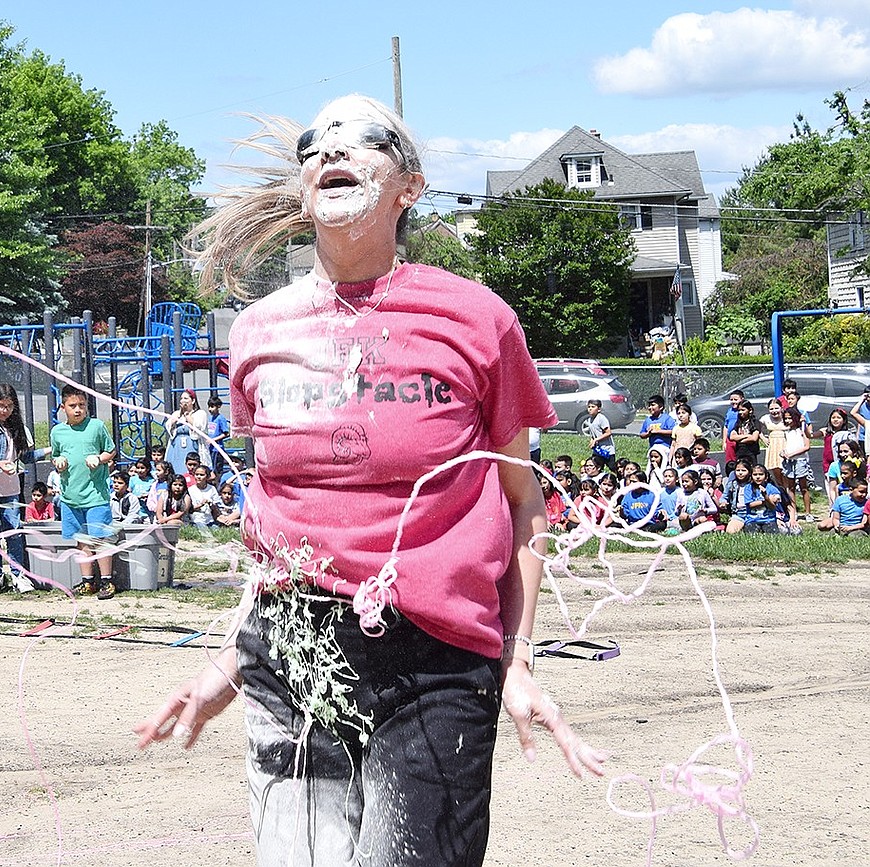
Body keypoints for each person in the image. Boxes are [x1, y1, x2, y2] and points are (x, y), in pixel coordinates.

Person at [136, 94, 604, 867]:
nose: (330, 151)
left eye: (363, 139)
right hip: (290, 656)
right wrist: (230, 662)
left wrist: (517, 663)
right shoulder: (257, 333)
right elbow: (276, 526)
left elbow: (525, 505)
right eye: (314, 144)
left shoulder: (479, 320)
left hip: (434, 665)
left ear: (409, 187)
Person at [0, 383, 49, 594]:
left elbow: (23, 456)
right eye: (0, 405)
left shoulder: (15, 427)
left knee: (14, 531)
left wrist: (48, 451)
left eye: (9, 406)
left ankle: (18, 574)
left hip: (10, 487)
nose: (5, 410)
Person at [50, 383, 118, 599]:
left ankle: (107, 581)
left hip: (96, 495)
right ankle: (88, 582)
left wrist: (99, 458)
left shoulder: (97, 426)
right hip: (71, 496)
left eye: (81, 405)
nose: (78, 409)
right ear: (63, 407)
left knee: (100, 538)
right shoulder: (57, 431)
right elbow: (56, 455)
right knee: (81, 541)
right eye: (72, 405)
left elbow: (111, 450)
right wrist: (58, 462)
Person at [164, 389, 210, 476]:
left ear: (193, 400)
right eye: (181, 398)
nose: (182, 401)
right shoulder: (176, 414)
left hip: (192, 446)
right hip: (176, 448)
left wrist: (187, 415)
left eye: (185, 398)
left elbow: (199, 428)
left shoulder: (200, 413)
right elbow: (169, 425)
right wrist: (180, 414)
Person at [780, 407, 813, 521]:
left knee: (804, 487)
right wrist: (783, 452)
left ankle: (808, 513)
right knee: (791, 487)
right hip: (788, 461)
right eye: (786, 418)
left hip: (800, 461)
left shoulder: (802, 430)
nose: (788, 421)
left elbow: (806, 446)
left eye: (790, 418)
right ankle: (793, 511)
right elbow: (785, 445)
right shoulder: (786, 432)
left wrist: (792, 454)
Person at [742, 464, 781, 533]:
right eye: (755, 475)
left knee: (773, 534)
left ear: (766, 477)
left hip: (769, 519)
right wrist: (766, 500)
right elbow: (750, 505)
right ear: (751, 476)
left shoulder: (771, 488)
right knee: (751, 535)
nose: (757, 477)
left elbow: (773, 506)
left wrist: (765, 495)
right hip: (752, 520)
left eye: (760, 474)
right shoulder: (748, 488)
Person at [187, 463, 223, 529]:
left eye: (202, 475)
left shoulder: (212, 489)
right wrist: (201, 504)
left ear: (207, 476)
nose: (198, 477)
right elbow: (189, 509)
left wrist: (211, 504)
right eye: (196, 474)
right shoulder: (190, 490)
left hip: (209, 520)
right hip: (196, 519)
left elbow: (217, 506)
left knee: (217, 530)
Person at [729, 399, 762, 464]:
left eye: (743, 410)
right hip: (740, 452)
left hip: (751, 452)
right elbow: (732, 437)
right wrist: (747, 436)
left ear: (750, 410)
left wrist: (739, 439)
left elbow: (754, 438)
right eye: (739, 410)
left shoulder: (755, 422)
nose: (740, 412)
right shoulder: (738, 423)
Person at [205, 394, 231, 474]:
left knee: (216, 470)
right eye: (209, 407)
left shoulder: (220, 418)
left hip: (217, 449)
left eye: (212, 407)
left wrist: (213, 440)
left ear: (218, 406)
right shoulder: (210, 418)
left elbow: (226, 433)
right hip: (210, 448)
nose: (210, 409)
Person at [722, 390, 744, 466]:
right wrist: (724, 441)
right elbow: (726, 426)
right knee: (730, 461)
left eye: (736, 399)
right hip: (730, 440)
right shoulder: (729, 411)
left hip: (740, 440)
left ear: (742, 399)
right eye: (731, 400)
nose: (733, 402)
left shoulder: (743, 412)